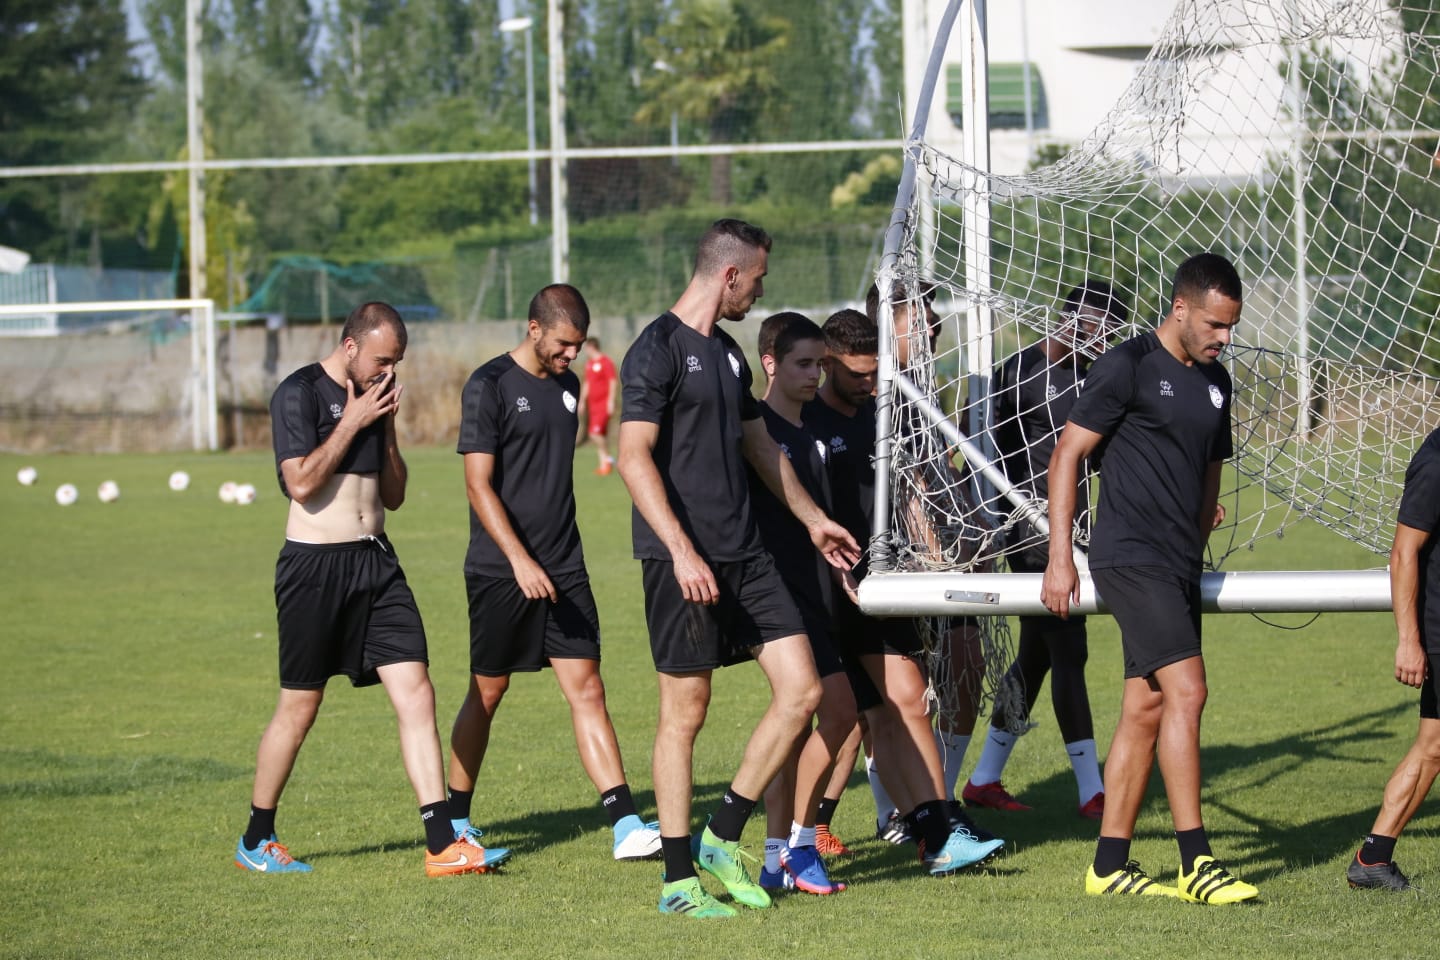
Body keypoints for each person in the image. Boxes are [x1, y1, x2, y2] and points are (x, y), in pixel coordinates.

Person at [617, 219, 860, 919]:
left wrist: (814, 521)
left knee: (802, 690)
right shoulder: (656, 350)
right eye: (757, 279)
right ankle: (676, 880)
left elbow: (761, 449)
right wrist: (682, 550)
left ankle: (723, 834)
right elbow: (633, 458)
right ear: (730, 276)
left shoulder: (726, 355)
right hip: (681, 559)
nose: (760, 290)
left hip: (747, 554)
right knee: (684, 714)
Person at [235, 302, 504, 877]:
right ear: (351, 345)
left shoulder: (376, 398)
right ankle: (257, 836)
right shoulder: (298, 394)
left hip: (377, 564)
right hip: (313, 569)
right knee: (301, 706)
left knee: (418, 690)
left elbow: (396, 494)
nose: (388, 372)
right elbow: (301, 484)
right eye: (382, 360)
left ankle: (440, 843)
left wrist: (384, 428)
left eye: (397, 363)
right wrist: (354, 420)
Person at [1042, 253, 1257, 903]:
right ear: (1181, 308)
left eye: (1231, 328)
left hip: (1176, 562)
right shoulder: (1127, 364)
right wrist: (1059, 557)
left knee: (1147, 705)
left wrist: (1199, 524)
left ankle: (1108, 865)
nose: (1224, 338)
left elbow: (1212, 467)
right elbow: (1068, 454)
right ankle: (1197, 862)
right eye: (1216, 324)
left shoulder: (1217, 384)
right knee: (1188, 691)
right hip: (1129, 555)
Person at [447, 284, 662, 863]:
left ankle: (624, 823)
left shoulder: (568, 388)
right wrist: (519, 559)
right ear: (534, 328)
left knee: (587, 686)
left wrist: (546, 558)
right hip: (501, 570)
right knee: (488, 693)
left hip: (564, 564)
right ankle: (455, 820)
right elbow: (477, 485)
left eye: (579, 345)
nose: (572, 356)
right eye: (564, 344)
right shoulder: (488, 386)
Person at [805, 307, 1005, 875]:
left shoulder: (881, 414)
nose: (870, 384)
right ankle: (798, 839)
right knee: (838, 719)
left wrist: (936, 558)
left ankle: (938, 828)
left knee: (904, 705)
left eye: (876, 374)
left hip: (880, 585)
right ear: (826, 364)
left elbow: (909, 491)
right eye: (858, 375)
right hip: (825, 592)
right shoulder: (805, 421)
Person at [963, 280, 1128, 820]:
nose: (1103, 338)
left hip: (1073, 532)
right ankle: (1091, 792)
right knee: (1069, 650)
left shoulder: (1093, 378)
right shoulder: (1013, 373)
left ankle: (984, 779)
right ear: (1072, 318)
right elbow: (973, 442)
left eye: (1111, 330)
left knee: (1036, 656)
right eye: (1097, 325)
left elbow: (1099, 459)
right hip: (1030, 532)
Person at [747, 311, 857, 897]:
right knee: (835, 712)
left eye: (820, 364)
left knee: (800, 730)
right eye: (804, 364)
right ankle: (797, 844)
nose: (816, 374)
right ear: (771, 363)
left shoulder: (812, 425)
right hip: (780, 593)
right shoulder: (757, 428)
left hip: (819, 590)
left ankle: (775, 858)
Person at [1344, 427, 1440, 892]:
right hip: (1439, 629)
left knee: (1434, 747)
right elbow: (1403, 554)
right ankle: (1374, 857)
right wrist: (1409, 641)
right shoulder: (1436, 462)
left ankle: (1374, 857)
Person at [578, 336, 618, 475]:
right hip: (592, 406)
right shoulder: (589, 364)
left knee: (594, 434)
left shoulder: (606, 362)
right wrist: (582, 401)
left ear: (591, 347)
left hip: (603, 405)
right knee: (599, 433)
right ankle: (604, 465)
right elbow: (587, 384)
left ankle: (608, 458)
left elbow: (612, 382)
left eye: (586, 348)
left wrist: (610, 401)